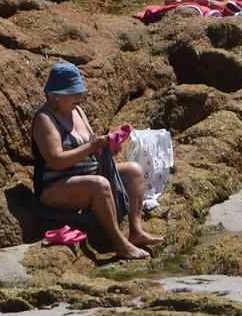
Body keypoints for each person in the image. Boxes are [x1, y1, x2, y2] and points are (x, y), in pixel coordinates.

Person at [31, 62, 160, 259]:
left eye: (79, 92)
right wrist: (91, 147)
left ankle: (136, 231)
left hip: (85, 174)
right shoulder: (45, 119)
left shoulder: (78, 111)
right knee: (99, 185)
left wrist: (106, 147)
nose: (79, 97)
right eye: (73, 93)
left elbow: (90, 146)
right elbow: (56, 161)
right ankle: (120, 243)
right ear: (57, 94)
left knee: (134, 171)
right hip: (54, 186)